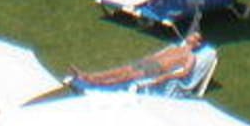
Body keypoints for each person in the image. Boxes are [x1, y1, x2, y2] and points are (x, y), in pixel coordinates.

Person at [71, 30, 202, 90]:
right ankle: (88, 76)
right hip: (149, 62)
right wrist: (147, 58)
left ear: (197, 44)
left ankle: (98, 84)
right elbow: (158, 54)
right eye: (191, 35)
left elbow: (185, 72)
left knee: (127, 76)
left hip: (157, 68)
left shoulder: (191, 56)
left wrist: (166, 77)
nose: (191, 36)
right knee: (120, 70)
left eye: (194, 37)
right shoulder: (175, 47)